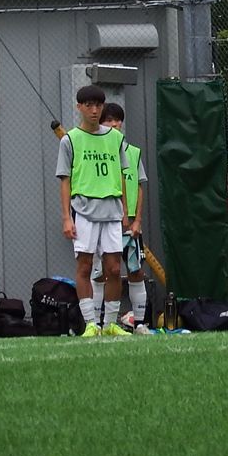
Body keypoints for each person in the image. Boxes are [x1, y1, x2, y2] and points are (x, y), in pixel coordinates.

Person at [57, 86, 132, 338]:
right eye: (88, 105)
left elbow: (121, 175)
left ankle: (110, 324)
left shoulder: (115, 138)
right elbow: (65, 180)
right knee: (85, 267)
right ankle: (90, 323)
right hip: (84, 210)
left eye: (98, 105)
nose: (94, 110)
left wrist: (125, 210)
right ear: (79, 107)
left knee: (114, 269)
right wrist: (66, 217)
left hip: (111, 210)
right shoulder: (70, 140)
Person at [102, 102, 152, 334]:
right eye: (109, 120)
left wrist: (137, 220)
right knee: (101, 273)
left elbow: (139, 187)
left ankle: (139, 323)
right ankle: (99, 324)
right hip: (105, 221)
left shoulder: (132, 152)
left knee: (135, 270)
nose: (114, 124)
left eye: (117, 120)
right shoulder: (97, 154)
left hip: (130, 224)